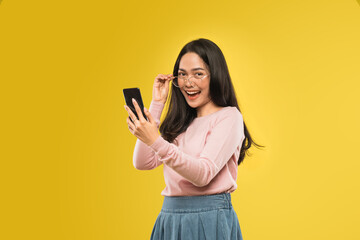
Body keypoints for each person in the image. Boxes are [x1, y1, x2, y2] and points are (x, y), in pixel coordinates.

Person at [124, 38, 263, 240]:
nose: (188, 83)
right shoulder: (180, 122)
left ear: (215, 75)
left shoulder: (229, 117)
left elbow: (202, 174)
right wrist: (156, 104)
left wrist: (155, 140)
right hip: (169, 218)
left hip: (209, 219)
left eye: (198, 74)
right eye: (182, 75)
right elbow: (142, 162)